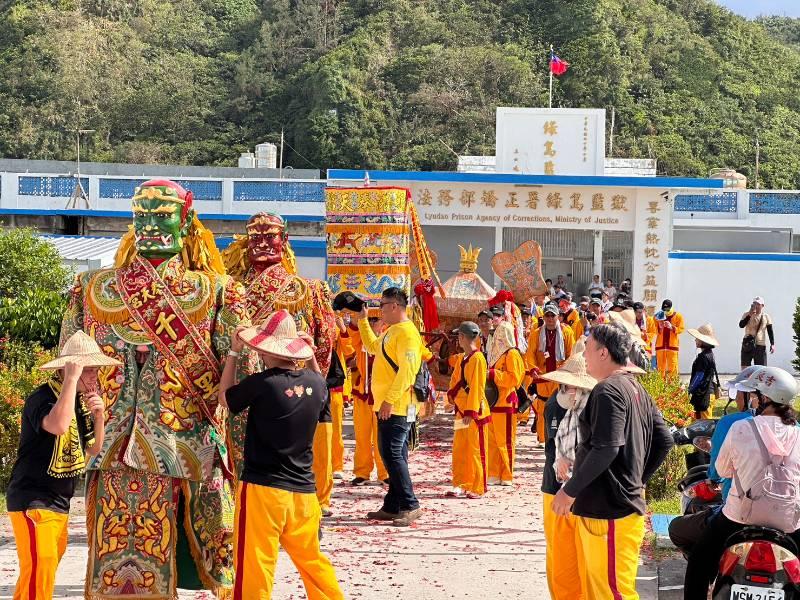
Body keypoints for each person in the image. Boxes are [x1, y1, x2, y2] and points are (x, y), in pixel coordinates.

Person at [60, 179, 247, 597]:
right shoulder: (92, 290)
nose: (150, 224)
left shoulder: (215, 292)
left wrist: (242, 449)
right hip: (111, 448)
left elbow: (241, 379)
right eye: (142, 215)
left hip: (185, 444)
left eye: (162, 215)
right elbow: (68, 365)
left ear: (186, 221)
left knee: (192, 543)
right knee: (113, 559)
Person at [219, 309, 343, 599]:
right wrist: (311, 354)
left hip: (265, 489)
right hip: (304, 493)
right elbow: (317, 377)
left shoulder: (263, 383)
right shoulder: (317, 385)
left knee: (256, 561)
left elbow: (225, 398)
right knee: (312, 560)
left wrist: (234, 354)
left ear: (265, 349)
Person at [551, 323, 673, 600]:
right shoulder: (636, 389)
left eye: (588, 351)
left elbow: (606, 449)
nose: (585, 358)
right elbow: (664, 441)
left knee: (611, 591)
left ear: (604, 353)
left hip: (609, 513)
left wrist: (568, 491)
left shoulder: (607, 391)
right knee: (601, 588)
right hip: (615, 508)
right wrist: (636, 481)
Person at [6, 331, 120, 600]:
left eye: (96, 370)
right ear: (72, 369)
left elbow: (92, 449)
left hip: (59, 501)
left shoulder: (77, 405)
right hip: (32, 499)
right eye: (89, 370)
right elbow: (57, 425)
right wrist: (71, 379)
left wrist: (99, 416)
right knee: (41, 567)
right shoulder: (42, 398)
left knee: (38, 573)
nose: (95, 377)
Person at [222, 211, 337, 476]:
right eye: (255, 237)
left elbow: (322, 346)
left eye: (270, 236)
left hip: (288, 391)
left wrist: (307, 383)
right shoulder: (228, 288)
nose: (262, 243)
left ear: (284, 240)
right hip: (240, 388)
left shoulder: (308, 290)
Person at [683, 366, 800, 598]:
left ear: (766, 398)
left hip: (739, 518)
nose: (754, 400)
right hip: (789, 523)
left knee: (700, 560)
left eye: (756, 395)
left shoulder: (740, 428)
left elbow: (722, 470)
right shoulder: (798, 434)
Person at [667, 366, 761, 556]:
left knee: (678, 530)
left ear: (755, 397)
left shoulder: (734, 424)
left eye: (738, 393)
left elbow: (719, 471)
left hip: (738, 515)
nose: (736, 398)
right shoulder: (795, 429)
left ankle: (704, 580)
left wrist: (714, 479)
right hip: (787, 519)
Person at [358, 287, 423, 527]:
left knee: (392, 454)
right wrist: (363, 322)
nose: (380, 310)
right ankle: (393, 504)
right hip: (388, 404)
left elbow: (408, 372)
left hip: (396, 405)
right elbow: (374, 348)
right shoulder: (392, 331)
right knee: (393, 455)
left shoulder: (407, 333)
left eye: (383, 305)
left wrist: (389, 400)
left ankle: (410, 504)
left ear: (395, 306)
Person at [539, 340, 595, 600]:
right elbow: (551, 445)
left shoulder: (592, 406)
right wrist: (560, 460)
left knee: (585, 559)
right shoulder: (554, 405)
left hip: (583, 493)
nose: (574, 392)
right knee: (561, 561)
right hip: (555, 489)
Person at [445, 321, 491, 498]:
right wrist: (452, 399)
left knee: (476, 450)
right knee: (460, 448)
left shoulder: (478, 359)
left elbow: (477, 388)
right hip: (461, 411)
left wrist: (471, 412)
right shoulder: (463, 357)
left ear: (463, 337)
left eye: (459, 336)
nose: (458, 339)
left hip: (473, 414)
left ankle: (478, 486)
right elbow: (455, 381)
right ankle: (461, 483)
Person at [526, 303, 576, 445]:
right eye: (547, 315)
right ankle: (543, 438)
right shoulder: (536, 334)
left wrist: (565, 369)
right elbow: (530, 354)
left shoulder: (567, 332)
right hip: (543, 375)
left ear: (558, 317)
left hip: (559, 376)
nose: (549, 318)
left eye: (552, 315)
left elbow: (570, 354)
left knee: (558, 406)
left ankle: (556, 436)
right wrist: (533, 368)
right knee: (543, 405)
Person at [348, 315, 389, 486]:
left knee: (381, 436)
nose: (372, 323)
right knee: (362, 435)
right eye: (370, 320)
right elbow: (349, 336)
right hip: (361, 394)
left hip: (381, 397)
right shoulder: (361, 338)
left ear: (383, 323)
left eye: (376, 320)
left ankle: (384, 472)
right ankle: (362, 472)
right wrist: (354, 319)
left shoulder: (388, 338)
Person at [487, 321, 526, 485]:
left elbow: (515, 379)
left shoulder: (512, 354)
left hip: (506, 404)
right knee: (493, 440)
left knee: (506, 441)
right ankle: (494, 473)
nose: (499, 337)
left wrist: (494, 374)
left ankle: (507, 475)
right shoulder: (496, 354)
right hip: (493, 403)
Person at [687, 323, 720, 421]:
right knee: (698, 424)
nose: (695, 340)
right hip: (707, 394)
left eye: (697, 338)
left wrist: (690, 390)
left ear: (703, 340)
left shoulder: (703, 357)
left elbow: (699, 376)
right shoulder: (709, 354)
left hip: (704, 395)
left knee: (705, 426)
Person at [739, 296, 775, 368]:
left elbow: (770, 331)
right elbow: (741, 325)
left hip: (760, 345)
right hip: (747, 344)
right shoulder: (746, 314)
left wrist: (772, 344)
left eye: (758, 304)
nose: (756, 306)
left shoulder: (766, 316)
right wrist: (750, 314)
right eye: (754, 303)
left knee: (761, 369)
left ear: (762, 305)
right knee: (745, 368)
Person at [655, 299, 685, 376]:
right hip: (660, 346)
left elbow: (681, 329)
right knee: (660, 368)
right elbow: (653, 330)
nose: (665, 311)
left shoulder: (678, 316)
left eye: (667, 309)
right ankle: (660, 386)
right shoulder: (657, 316)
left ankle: (673, 387)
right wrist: (660, 327)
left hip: (672, 346)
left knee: (673, 367)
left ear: (671, 307)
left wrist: (672, 327)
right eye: (664, 309)